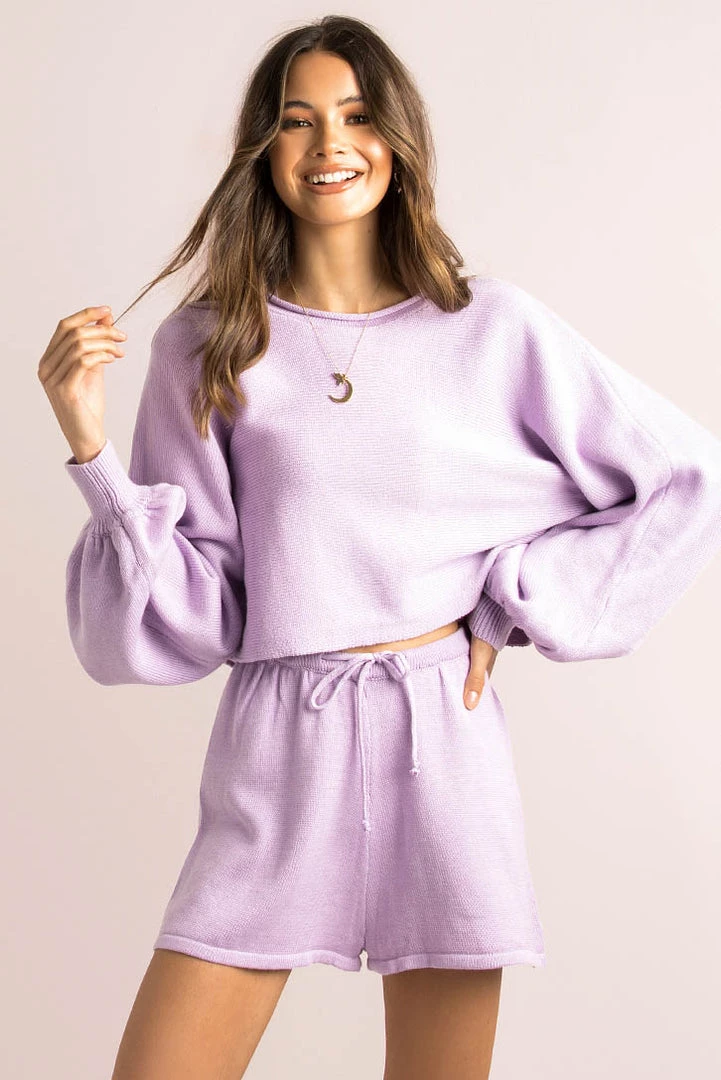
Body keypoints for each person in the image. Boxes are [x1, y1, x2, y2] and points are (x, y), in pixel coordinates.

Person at [38, 14, 721, 1080]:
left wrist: (512, 600)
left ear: (396, 140)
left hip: (441, 738)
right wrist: (91, 450)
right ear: (262, 148)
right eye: (297, 120)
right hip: (276, 746)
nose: (330, 145)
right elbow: (198, 609)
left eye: (356, 117)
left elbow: (683, 476)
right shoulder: (204, 347)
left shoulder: (490, 327)